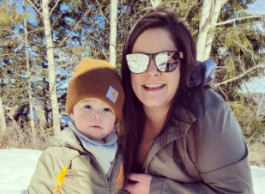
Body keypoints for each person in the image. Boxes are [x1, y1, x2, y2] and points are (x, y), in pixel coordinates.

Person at [120, 7, 254, 194]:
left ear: (183, 66)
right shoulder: (113, 114)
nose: (151, 71)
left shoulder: (208, 114)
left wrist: (160, 190)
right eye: (138, 61)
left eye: (167, 60)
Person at [27, 59, 125, 194]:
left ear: (115, 119)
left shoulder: (119, 151)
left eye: (107, 110)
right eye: (88, 106)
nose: (97, 115)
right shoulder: (62, 151)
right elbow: (41, 189)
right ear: (72, 112)